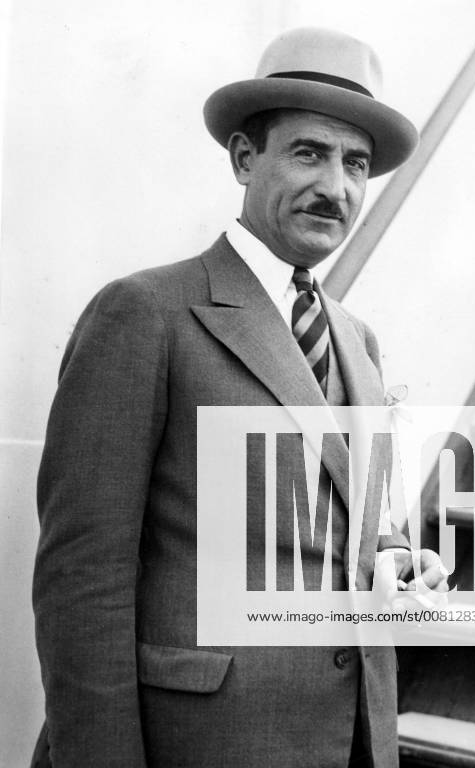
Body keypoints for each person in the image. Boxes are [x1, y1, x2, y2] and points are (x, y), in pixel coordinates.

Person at [32, 27, 447, 768]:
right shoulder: (146, 312)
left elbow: (345, 520)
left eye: (355, 163)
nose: (338, 187)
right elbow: (80, 582)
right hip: (202, 744)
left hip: (352, 737)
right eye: (308, 153)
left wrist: (396, 560)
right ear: (243, 157)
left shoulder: (357, 339)